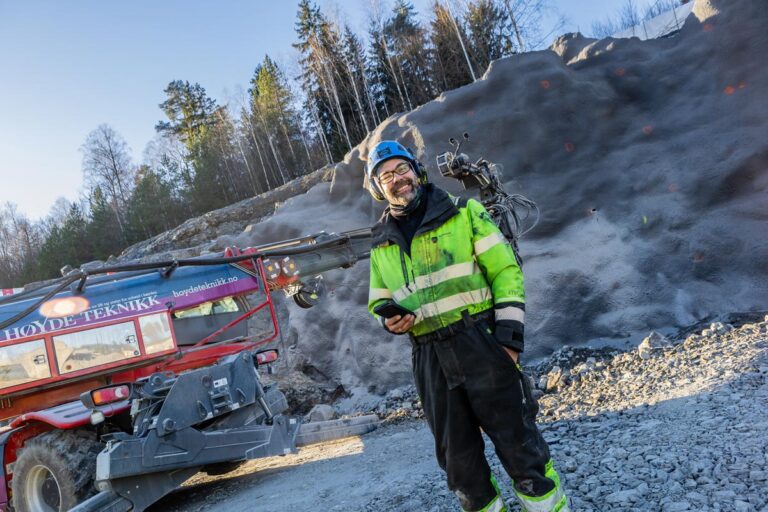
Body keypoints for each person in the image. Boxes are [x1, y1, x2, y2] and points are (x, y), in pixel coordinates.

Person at [365, 141, 569, 512]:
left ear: (417, 171)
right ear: (379, 187)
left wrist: (507, 342)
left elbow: (505, 272)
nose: (398, 179)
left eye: (402, 169)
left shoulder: (464, 213)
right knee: (459, 466)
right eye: (386, 175)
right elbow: (378, 299)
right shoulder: (380, 244)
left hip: (480, 341)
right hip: (429, 357)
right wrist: (390, 319)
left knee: (520, 446)